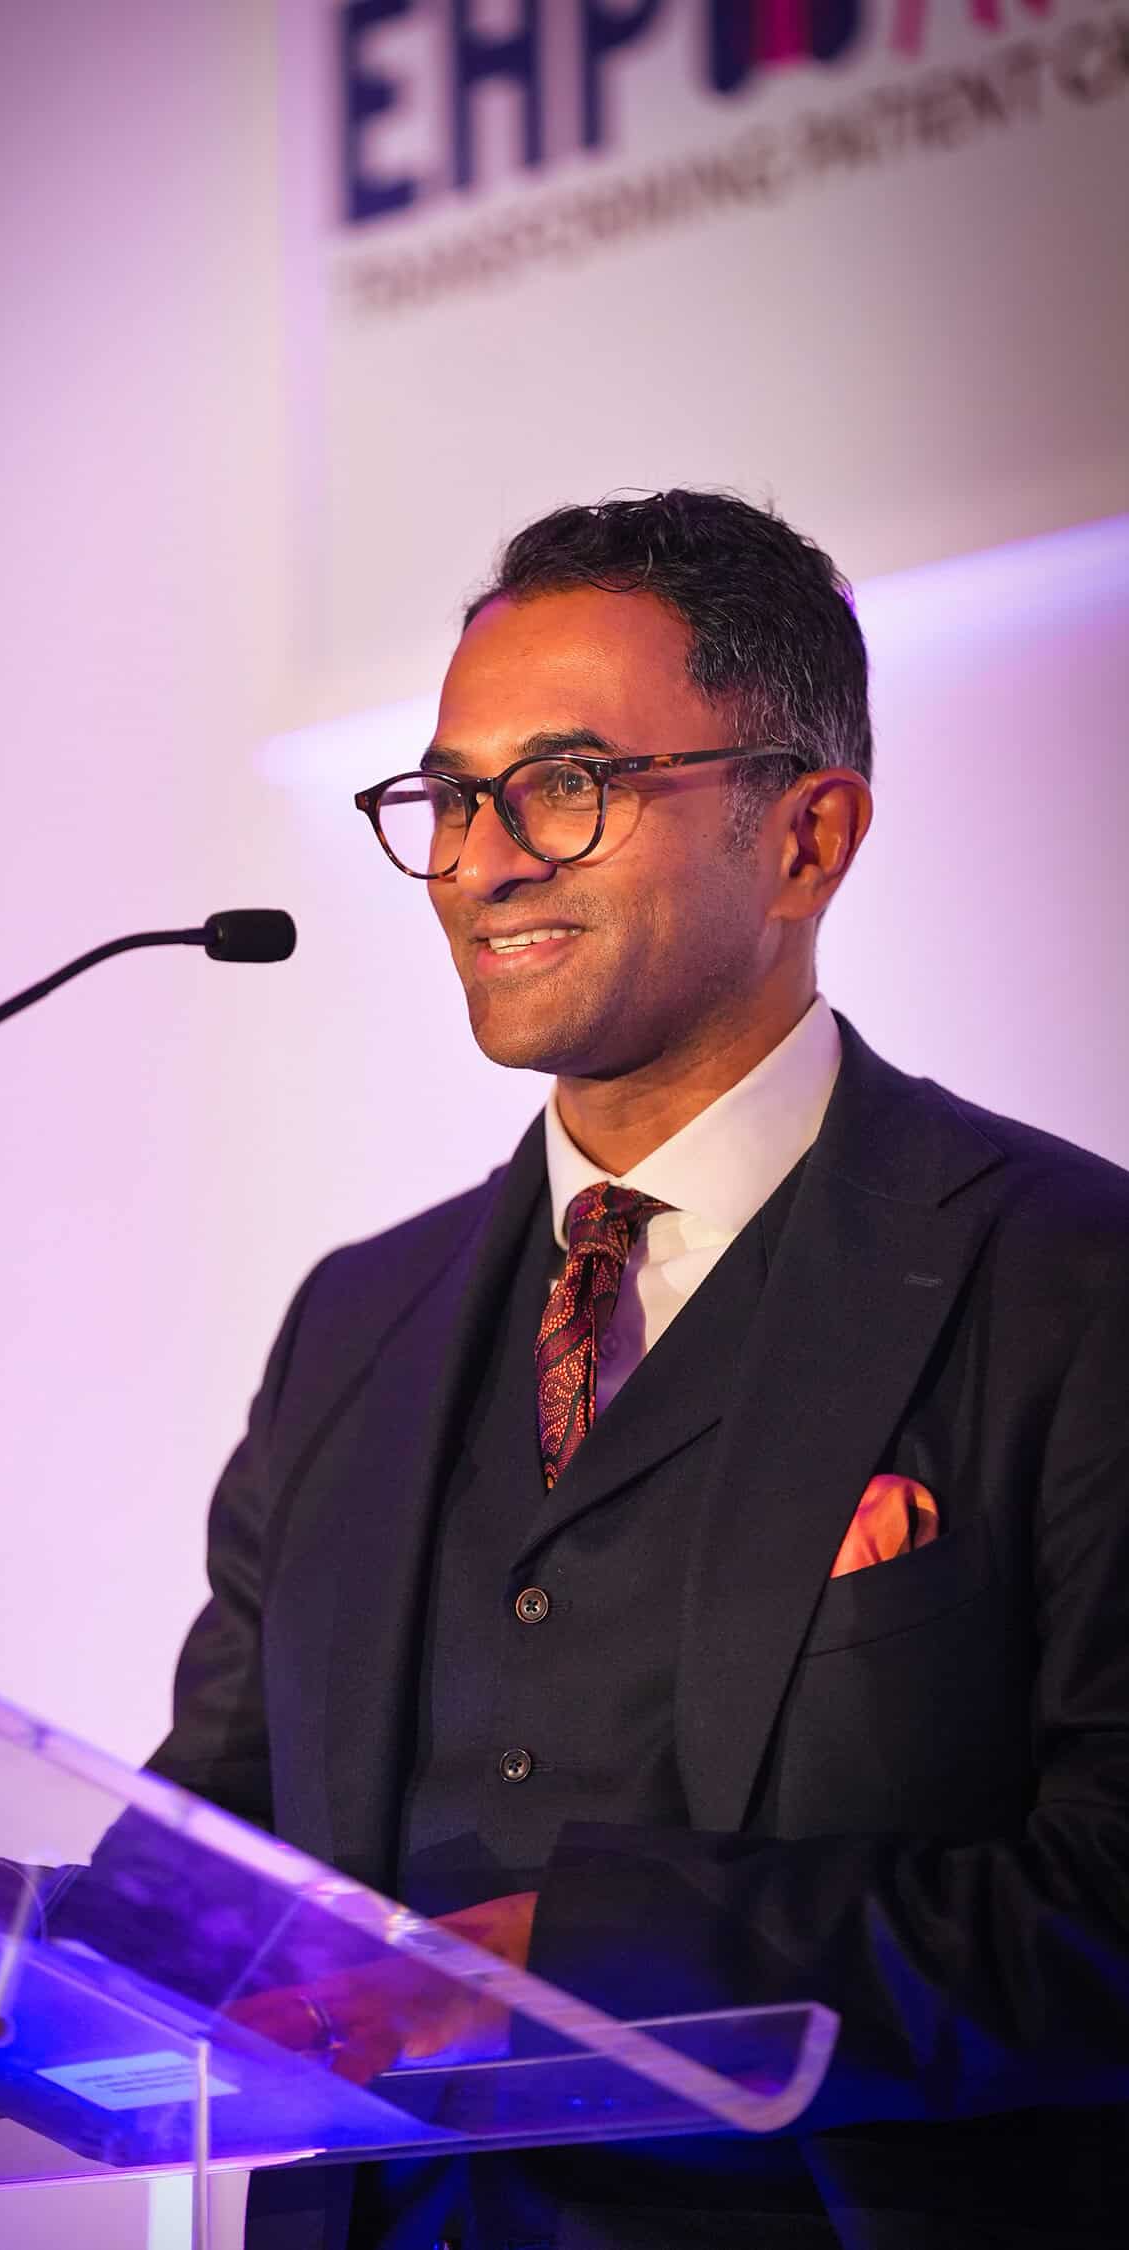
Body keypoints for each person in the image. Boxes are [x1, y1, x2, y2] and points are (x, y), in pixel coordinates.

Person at [144, 492, 1129, 2247]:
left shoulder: (1072, 1278)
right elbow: (214, 1866)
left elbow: (1107, 1906)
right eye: (451, 794)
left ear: (808, 837)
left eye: (567, 784)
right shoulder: (353, 1326)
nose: (481, 859)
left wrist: (592, 1960)